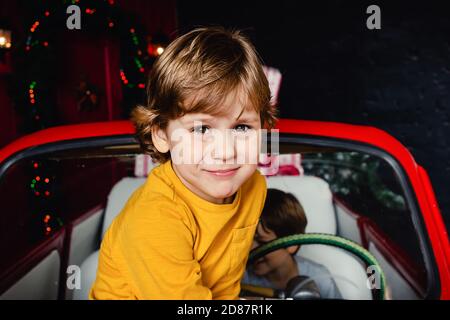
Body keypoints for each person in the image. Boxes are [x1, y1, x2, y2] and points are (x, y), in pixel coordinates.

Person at [89, 27, 277, 299]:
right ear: (162, 135)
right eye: (201, 130)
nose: (225, 152)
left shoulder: (253, 185)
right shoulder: (154, 220)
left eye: (242, 128)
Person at [242, 189, 342, 299]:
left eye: (262, 242)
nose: (250, 248)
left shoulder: (320, 278)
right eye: (246, 239)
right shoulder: (240, 279)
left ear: (291, 244)